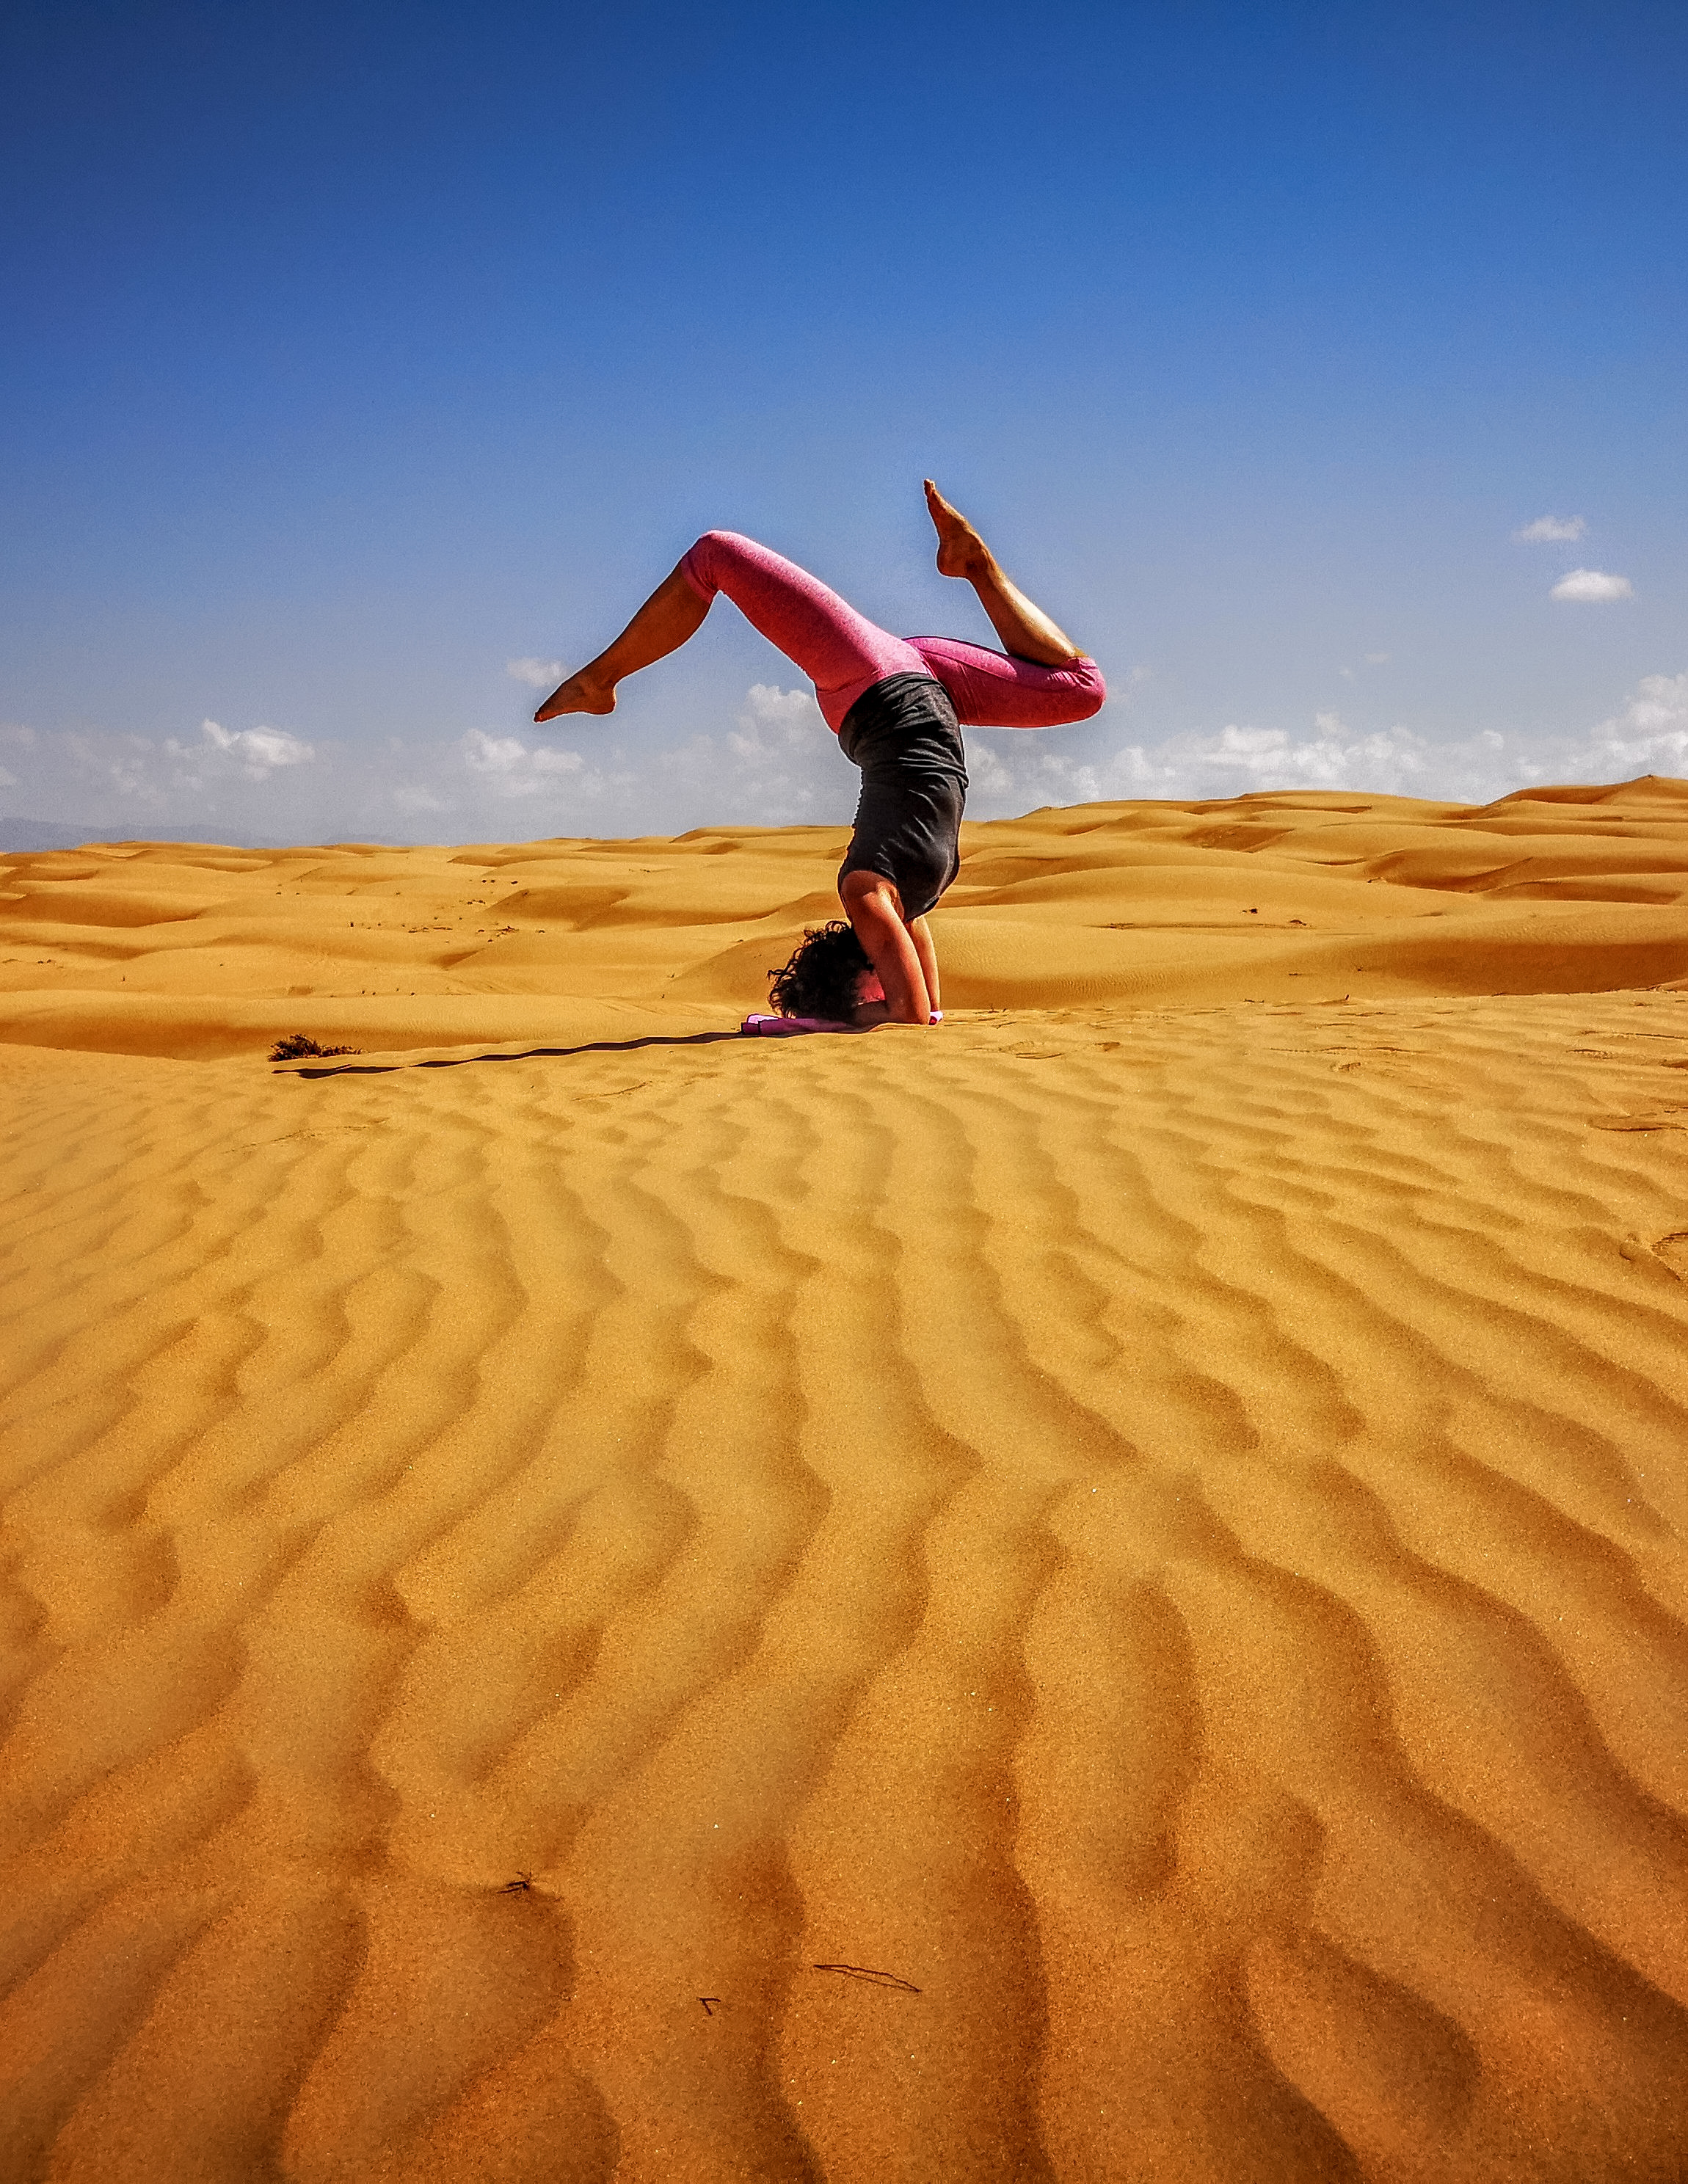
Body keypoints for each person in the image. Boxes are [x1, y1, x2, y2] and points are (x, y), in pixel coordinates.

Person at [534, 481, 1105, 1027]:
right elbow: (926, 1012)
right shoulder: (907, 907)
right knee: (1082, 690)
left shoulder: (867, 892)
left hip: (873, 685)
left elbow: (908, 1015)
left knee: (715, 553)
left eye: (873, 990)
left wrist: (836, 1020)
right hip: (929, 691)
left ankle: (601, 680)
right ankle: (973, 565)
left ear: (854, 980)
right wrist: (858, 1014)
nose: (889, 985)